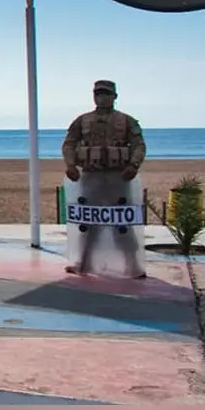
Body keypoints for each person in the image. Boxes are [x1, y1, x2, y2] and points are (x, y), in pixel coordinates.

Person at [61, 80, 146, 277]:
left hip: (118, 176)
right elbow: (69, 144)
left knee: (122, 223)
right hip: (91, 176)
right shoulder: (82, 121)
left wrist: (134, 165)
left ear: (114, 96)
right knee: (87, 222)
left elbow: (139, 144)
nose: (101, 97)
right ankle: (81, 262)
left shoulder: (126, 121)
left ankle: (132, 265)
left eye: (106, 94)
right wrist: (70, 165)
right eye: (98, 94)